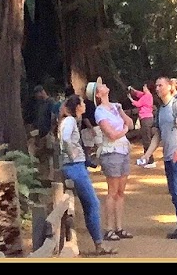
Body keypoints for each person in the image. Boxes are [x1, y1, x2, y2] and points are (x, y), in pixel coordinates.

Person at [58, 93, 114, 257]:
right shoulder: (69, 121)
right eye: (82, 103)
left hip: (76, 166)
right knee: (92, 204)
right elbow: (66, 140)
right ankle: (99, 244)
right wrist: (72, 155)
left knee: (90, 204)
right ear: (77, 107)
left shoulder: (69, 121)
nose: (85, 105)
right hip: (75, 167)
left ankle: (98, 242)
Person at [139, 74, 177, 243]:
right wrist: (147, 154)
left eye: (160, 85)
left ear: (169, 87)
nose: (157, 88)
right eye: (156, 86)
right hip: (169, 155)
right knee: (173, 191)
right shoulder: (161, 110)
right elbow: (158, 135)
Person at [87, 79, 133, 242]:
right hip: (111, 152)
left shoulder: (115, 107)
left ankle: (119, 227)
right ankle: (108, 228)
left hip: (123, 150)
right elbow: (111, 134)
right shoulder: (99, 112)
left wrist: (121, 113)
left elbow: (130, 123)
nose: (104, 86)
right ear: (98, 95)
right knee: (112, 192)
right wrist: (124, 130)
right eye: (100, 87)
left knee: (120, 192)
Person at [128, 82, 156, 152]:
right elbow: (138, 93)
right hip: (147, 118)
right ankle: (148, 154)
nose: (143, 87)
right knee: (146, 136)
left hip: (145, 119)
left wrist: (130, 98)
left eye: (144, 86)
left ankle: (148, 155)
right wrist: (133, 90)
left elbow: (138, 104)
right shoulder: (147, 95)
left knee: (146, 137)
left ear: (147, 88)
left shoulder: (146, 96)